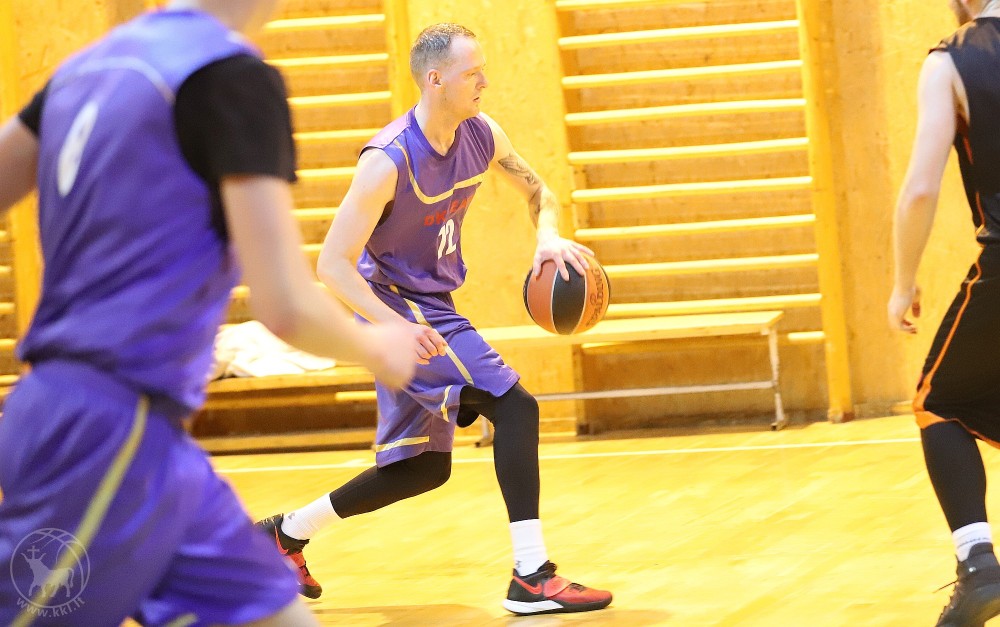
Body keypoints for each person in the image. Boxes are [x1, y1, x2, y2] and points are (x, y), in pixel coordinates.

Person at [0, 0, 417, 625]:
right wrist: (379, 345)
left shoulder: (88, 67)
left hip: (125, 432)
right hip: (106, 432)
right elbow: (284, 305)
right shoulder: (227, 75)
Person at [257, 23, 613, 616]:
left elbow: (539, 192)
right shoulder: (387, 161)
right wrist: (391, 326)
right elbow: (332, 264)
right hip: (395, 308)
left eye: (483, 70)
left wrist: (547, 237)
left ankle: (283, 535)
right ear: (436, 78)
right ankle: (531, 575)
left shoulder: (482, 134)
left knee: (421, 469)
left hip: (433, 306)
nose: (484, 82)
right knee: (516, 407)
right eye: (473, 73)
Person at [889, 0, 1000, 624]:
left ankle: (978, 565)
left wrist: (903, 282)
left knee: (940, 402)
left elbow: (920, 189)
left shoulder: (950, 60)